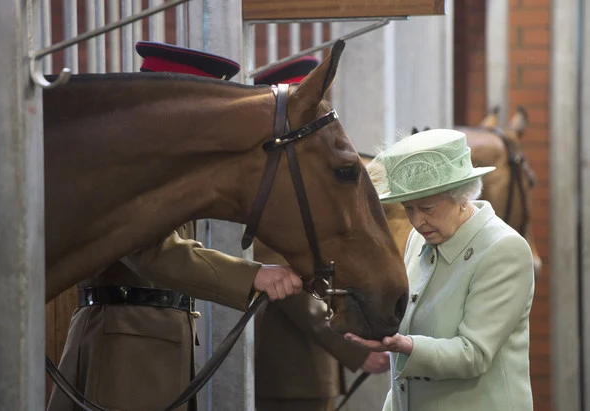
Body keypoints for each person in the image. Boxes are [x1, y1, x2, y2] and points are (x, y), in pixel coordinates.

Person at [47, 42, 303, 411]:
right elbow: (148, 249)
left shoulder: (161, 162)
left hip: (144, 342)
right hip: (124, 348)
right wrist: (252, 276)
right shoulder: (127, 157)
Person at [345, 128, 535, 411]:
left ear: (462, 196)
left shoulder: (504, 249)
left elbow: (473, 354)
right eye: (408, 208)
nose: (417, 221)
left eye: (428, 208)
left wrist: (404, 346)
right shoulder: (418, 239)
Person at [252, 57, 391, 411]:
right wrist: (352, 349)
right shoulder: (274, 190)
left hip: (313, 368)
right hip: (288, 372)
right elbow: (289, 286)